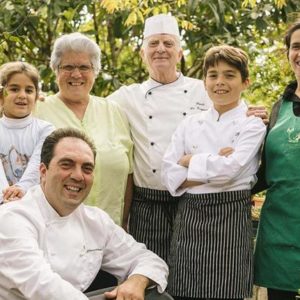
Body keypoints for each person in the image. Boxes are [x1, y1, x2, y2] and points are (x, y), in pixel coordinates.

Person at [108, 13, 268, 262]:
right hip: (147, 204)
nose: (161, 49)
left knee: (187, 276)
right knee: (149, 275)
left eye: (168, 44)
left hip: (194, 201)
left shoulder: (205, 87)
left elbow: (240, 120)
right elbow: (90, 107)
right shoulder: (126, 96)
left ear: (180, 53)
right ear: (142, 54)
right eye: (153, 44)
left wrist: (260, 116)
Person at [0, 127, 168, 300]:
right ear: (43, 171)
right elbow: (42, 287)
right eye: (67, 164)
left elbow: (149, 260)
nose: (78, 176)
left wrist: (137, 280)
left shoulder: (96, 220)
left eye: (87, 168)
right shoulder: (12, 218)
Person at [162, 45, 266, 300]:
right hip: (189, 220)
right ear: (205, 81)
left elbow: (230, 171)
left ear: (245, 82)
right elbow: (168, 175)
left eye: (229, 75)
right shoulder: (189, 124)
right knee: (183, 293)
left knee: (227, 294)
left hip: (230, 221)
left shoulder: (253, 123)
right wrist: (217, 163)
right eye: (213, 75)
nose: (220, 82)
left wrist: (189, 160)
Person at [35, 32, 133, 227]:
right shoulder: (38, 110)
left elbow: (128, 176)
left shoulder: (114, 111)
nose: (76, 74)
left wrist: (122, 225)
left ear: (95, 71)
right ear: (55, 70)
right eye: (68, 67)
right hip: (51, 230)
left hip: (108, 231)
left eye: (84, 67)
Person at [253, 21, 300, 300]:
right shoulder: (277, 108)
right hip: (279, 229)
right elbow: (263, 173)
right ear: (288, 54)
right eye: (296, 47)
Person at [0, 61, 54, 203]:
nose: (22, 95)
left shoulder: (45, 130)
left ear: (36, 96)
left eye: (29, 90)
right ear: (1, 95)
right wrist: (5, 197)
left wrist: (21, 188)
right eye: (14, 89)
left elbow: (38, 164)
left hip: (35, 206)